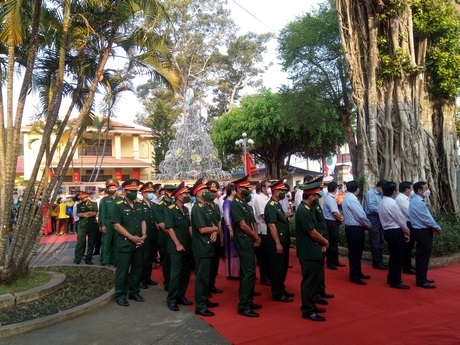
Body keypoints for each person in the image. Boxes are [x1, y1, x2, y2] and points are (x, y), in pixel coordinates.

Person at [295, 182, 329, 322]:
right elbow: (313, 233)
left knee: (314, 281)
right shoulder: (303, 211)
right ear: (311, 197)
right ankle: (308, 310)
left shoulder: (307, 209)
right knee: (309, 282)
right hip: (308, 252)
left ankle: (312, 304)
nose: (317, 198)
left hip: (313, 250)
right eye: (316, 196)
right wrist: (325, 242)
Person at [230, 175, 262, 318]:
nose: (248, 191)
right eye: (245, 188)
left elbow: (251, 223)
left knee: (249, 273)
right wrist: (255, 236)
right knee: (248, 273)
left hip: (249, 240)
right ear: (237, 189)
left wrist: (255, 236)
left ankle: (248, 300)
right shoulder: (235, 204)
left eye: (248, 188)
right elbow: (242, 225)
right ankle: (244, 305)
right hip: (243, 241)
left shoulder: (244, 204)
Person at [112, 179, 147, 307]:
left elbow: (143, 220)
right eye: (131, 191)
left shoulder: (139, 204)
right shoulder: (118, 205)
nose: (133, 193)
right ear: (125, 191)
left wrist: (143, 235)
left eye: (135, 191)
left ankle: (134, 292)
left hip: (139, 243)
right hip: (126, 243)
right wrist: (132, 237)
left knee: (137, 269)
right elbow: (117, 225)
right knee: (123, 270)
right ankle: (120, 294)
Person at [190, 178, 220, 317]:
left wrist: (214, 230)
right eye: (205, 191)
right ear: (199, 194)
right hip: (201, 247)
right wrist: (214, 229)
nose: (208, 193)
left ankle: (205, 300)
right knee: (201, 277)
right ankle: (200, 306)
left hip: (209, 246)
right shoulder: (197, 208)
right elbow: (202, 229)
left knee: (207, 276)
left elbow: (213, 223)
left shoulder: (207, 206)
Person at [164, 182, 193, 312]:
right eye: (185, 194)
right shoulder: (170, 209)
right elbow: (169, 228)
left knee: (185, 273)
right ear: (178, 196)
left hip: (187, 245)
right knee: (176, 273)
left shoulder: (186, 209)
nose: (187, 195)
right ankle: (172, 299)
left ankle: (181, 296)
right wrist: (177, 243)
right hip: (176, 247)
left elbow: (189, 227)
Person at [264, 179, 293, 303]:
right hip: (277, 242)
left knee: (283, 267)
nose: (284, 193)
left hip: (283, 240)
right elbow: (272, 225)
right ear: (276, 192)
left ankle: (281, 288)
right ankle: (277, 292)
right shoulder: (270, 206)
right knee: (277, 268)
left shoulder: (277, 204)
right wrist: (277, 243)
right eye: (281, 191)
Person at [409, 181, 442, 289]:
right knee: (423, 256)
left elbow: (427, 216)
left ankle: (423, 277)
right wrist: (437, 227)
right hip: (422, 231)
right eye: (426, 188)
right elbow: (425, 218)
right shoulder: (417, 202)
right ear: (419, 190)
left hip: (423, 230)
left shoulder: (418, 200)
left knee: (424, 255)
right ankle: (421, 280)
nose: (428, 190)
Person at [378, 181, 411, 289]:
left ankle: (391, 278)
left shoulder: (382, 202)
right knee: (397, 257)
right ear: (393, 192)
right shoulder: (392, 204)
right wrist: (406, 231)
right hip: (395, 231)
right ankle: (396, 281)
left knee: (394, 256)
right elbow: (400, 220)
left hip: (387, 231)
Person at [342, 180, 372, 285]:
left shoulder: (347, 198)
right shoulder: (352, 199)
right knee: (355, 253)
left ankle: (357, 272)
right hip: (355, 228)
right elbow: (360, 215)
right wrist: (368, 224)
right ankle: (355, 275)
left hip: (352, 228)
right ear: (357, 189)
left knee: (356, 252)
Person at [154, 184, 176, 292]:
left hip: (177, 238)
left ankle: (175, 281)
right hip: (165, 238)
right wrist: (174, 233)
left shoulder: (176, 204)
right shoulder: (160, 206)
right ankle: (168, 282)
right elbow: (162, 224)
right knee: (166, 262)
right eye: (169, 192)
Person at [205, 180, 224, 295]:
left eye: (214, 191)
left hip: (217, 237)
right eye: (210, 191)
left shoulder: (216, 206)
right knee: (208, 265)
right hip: (207, 238)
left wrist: (220, 235)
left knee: (215, 264)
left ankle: (212, 285)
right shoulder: (204, 206)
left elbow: (219, 222)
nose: (212, 193)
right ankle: (206, 288)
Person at [139, 182, 159, 289]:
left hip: (154, 235)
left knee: (151, 257)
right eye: (148, 192)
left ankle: (148, 277)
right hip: (145, 235)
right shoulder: (139, 205)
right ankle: (142, 279)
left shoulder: (154, 205)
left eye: (152, 191)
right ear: (143, 193)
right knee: (144, 257)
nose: (151, 194)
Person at [364, 179, 388, 270]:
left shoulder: (382, 194)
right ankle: (376, 262)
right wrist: (384, 210)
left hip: (380, 217)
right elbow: (371, 207)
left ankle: (380, 260)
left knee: (381, 239)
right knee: (375, 240)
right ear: (380, 187)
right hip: (373, 217)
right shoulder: (371, 193)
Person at [99, 178, 123, 267]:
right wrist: (102, 225)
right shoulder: (104, 200)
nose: (112, 189)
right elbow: (102, 213)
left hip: (118, 224)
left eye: (113, 188)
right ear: (107, 189)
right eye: (110, 188)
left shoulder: (121, 199)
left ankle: (115, 260)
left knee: (117, 243)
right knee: (106, 242)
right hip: (107, 223)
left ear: (116, 188)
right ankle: (106, 260)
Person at [323, 181, 345, 270]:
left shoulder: (330, 197)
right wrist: (341, 219)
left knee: (334, 242)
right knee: (332, 242)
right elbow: (335, 213)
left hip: (332, 222)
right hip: (331, 222)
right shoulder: (329, 198)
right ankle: (331, 262)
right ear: (335, 189)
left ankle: (335, 260)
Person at [252, 180, 271, 286]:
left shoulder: (268, 198)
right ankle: (264, 277)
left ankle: (268, 275)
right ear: (263, 188)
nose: (270, 188)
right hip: (263, 230)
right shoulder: (259, 199)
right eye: (268, 186)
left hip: (268, 229)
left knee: (268, 255)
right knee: (263, 256)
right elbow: (264, 215)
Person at [395, 181, 416, 275]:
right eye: (411, 189)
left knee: (409, 246)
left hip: (409, 223)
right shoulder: (401, 199)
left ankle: (407, 265)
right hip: (406, 223)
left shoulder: (406, 198)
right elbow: (410, 213)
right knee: (408, 246)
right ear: (407, 190)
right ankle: (406, 267)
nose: (412, 191)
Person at [74, 191, 98, 265]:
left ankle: (88, 259)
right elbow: (79, 214)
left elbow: (95, 212)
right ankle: (77, 258)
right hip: (82, 226)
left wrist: (85, 214)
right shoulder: (79, 205)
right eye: (81, 198)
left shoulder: (94, 203)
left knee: (91, 243)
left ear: (87, 197)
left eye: (84, 198)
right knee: (80, 243)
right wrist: (88, 214)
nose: (82, 199)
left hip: (91, 225)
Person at [222, 183, 239, 279]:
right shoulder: (227, 202)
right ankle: (231, 273)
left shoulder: (233, 201)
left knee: (235, 249)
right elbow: (226, 217)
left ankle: (236, 271)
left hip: (235, 227)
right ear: (232, 192)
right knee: (231, 250)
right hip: (230, 228)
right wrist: (230, 230)